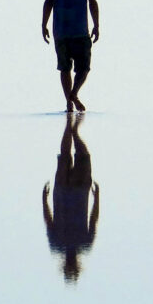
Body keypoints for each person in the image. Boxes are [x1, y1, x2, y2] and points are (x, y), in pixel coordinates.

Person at [41, 0, 100, 112]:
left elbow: (48, 2)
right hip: (80, 31)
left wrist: (43, 24)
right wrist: (96, 25)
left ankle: (69, 101)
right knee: (83, 68)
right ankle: (73, 95)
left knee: (65, 68)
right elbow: (93, 3)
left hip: (61, 31)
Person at [42, 112, 99, 283]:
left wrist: (97, 199)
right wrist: (44, 200)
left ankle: (72, 129)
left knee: (75, 155)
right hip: (68, 191)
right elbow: (93, 219)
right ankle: (72, 129)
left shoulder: (77, 243)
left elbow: (93, 219)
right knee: (71, 154)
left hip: (74, 191)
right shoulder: (61, 244)